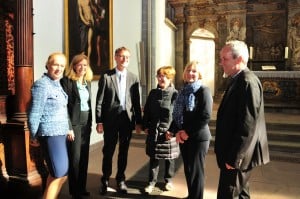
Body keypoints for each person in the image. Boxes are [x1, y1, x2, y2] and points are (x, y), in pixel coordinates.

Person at [215, 40, 270, 199]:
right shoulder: (238, 79)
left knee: (228, 194)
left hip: (237, 155)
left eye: (224, 59)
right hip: (234, 153)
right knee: (241, 194)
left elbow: (247, 124)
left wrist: (234, 158)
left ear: (238, 60)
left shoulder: (247, 82)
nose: (221, 63)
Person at [95, 46, 143, 195]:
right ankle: (105, 179)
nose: (124, 59)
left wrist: (138, 121)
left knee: (124, 151)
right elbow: (99, 101)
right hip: (110, 120)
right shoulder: (106, 76)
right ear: (115, 57)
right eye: (121, 56)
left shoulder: (134, 77)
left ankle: (121, 179)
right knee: (108, 150)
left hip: (126, 120)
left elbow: (136, 102)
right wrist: (99, 121)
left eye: (127, 57)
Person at [28, 52, 71, 199]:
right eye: (55, 64)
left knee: (60, 174)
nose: (59, 68)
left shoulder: (57, 83)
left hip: (60, 133)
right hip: (50, 134)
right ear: (48, 65)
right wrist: (33, 136)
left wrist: (68, 129)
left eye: (62, 65)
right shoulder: (42, 84)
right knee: (59, 173)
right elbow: (35, 113)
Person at [171, 61, 213, 199]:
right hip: (184, 137)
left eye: (194, 71)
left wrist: (186, 132)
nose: (190, 73)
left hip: (198, 137)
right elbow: (179, 115)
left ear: (199, 74)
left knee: (196, 171)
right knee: (189, 169)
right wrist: (173, 130)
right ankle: (192, 195)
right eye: (188, 70)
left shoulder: (204, 91)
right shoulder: (183, 91)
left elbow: (205, 116)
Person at [60, 54, 93, 199]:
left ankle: (82, 187)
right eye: (80, 65)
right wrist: (68, 127)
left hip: (86, 123)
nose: (82, 68)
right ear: (73, 66)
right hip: (74, 124)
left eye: (85, 65)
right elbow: (64, 106)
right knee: (75, 158)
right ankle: (74, 191)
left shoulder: (87, 82)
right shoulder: (66, 81)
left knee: (84, 156)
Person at [143, 66, 179, 194]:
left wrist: (172, 131)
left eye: (164, 76)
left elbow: (178, 115)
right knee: (154, 158)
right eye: (159, 75)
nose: (161, 78)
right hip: (154, 131)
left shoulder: (175, 94)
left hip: (168, 132)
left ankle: (168, 180)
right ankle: (151, 182)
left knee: (169, 159)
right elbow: (146, 111)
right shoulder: (153, 93)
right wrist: (145, 126)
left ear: (170, 78)